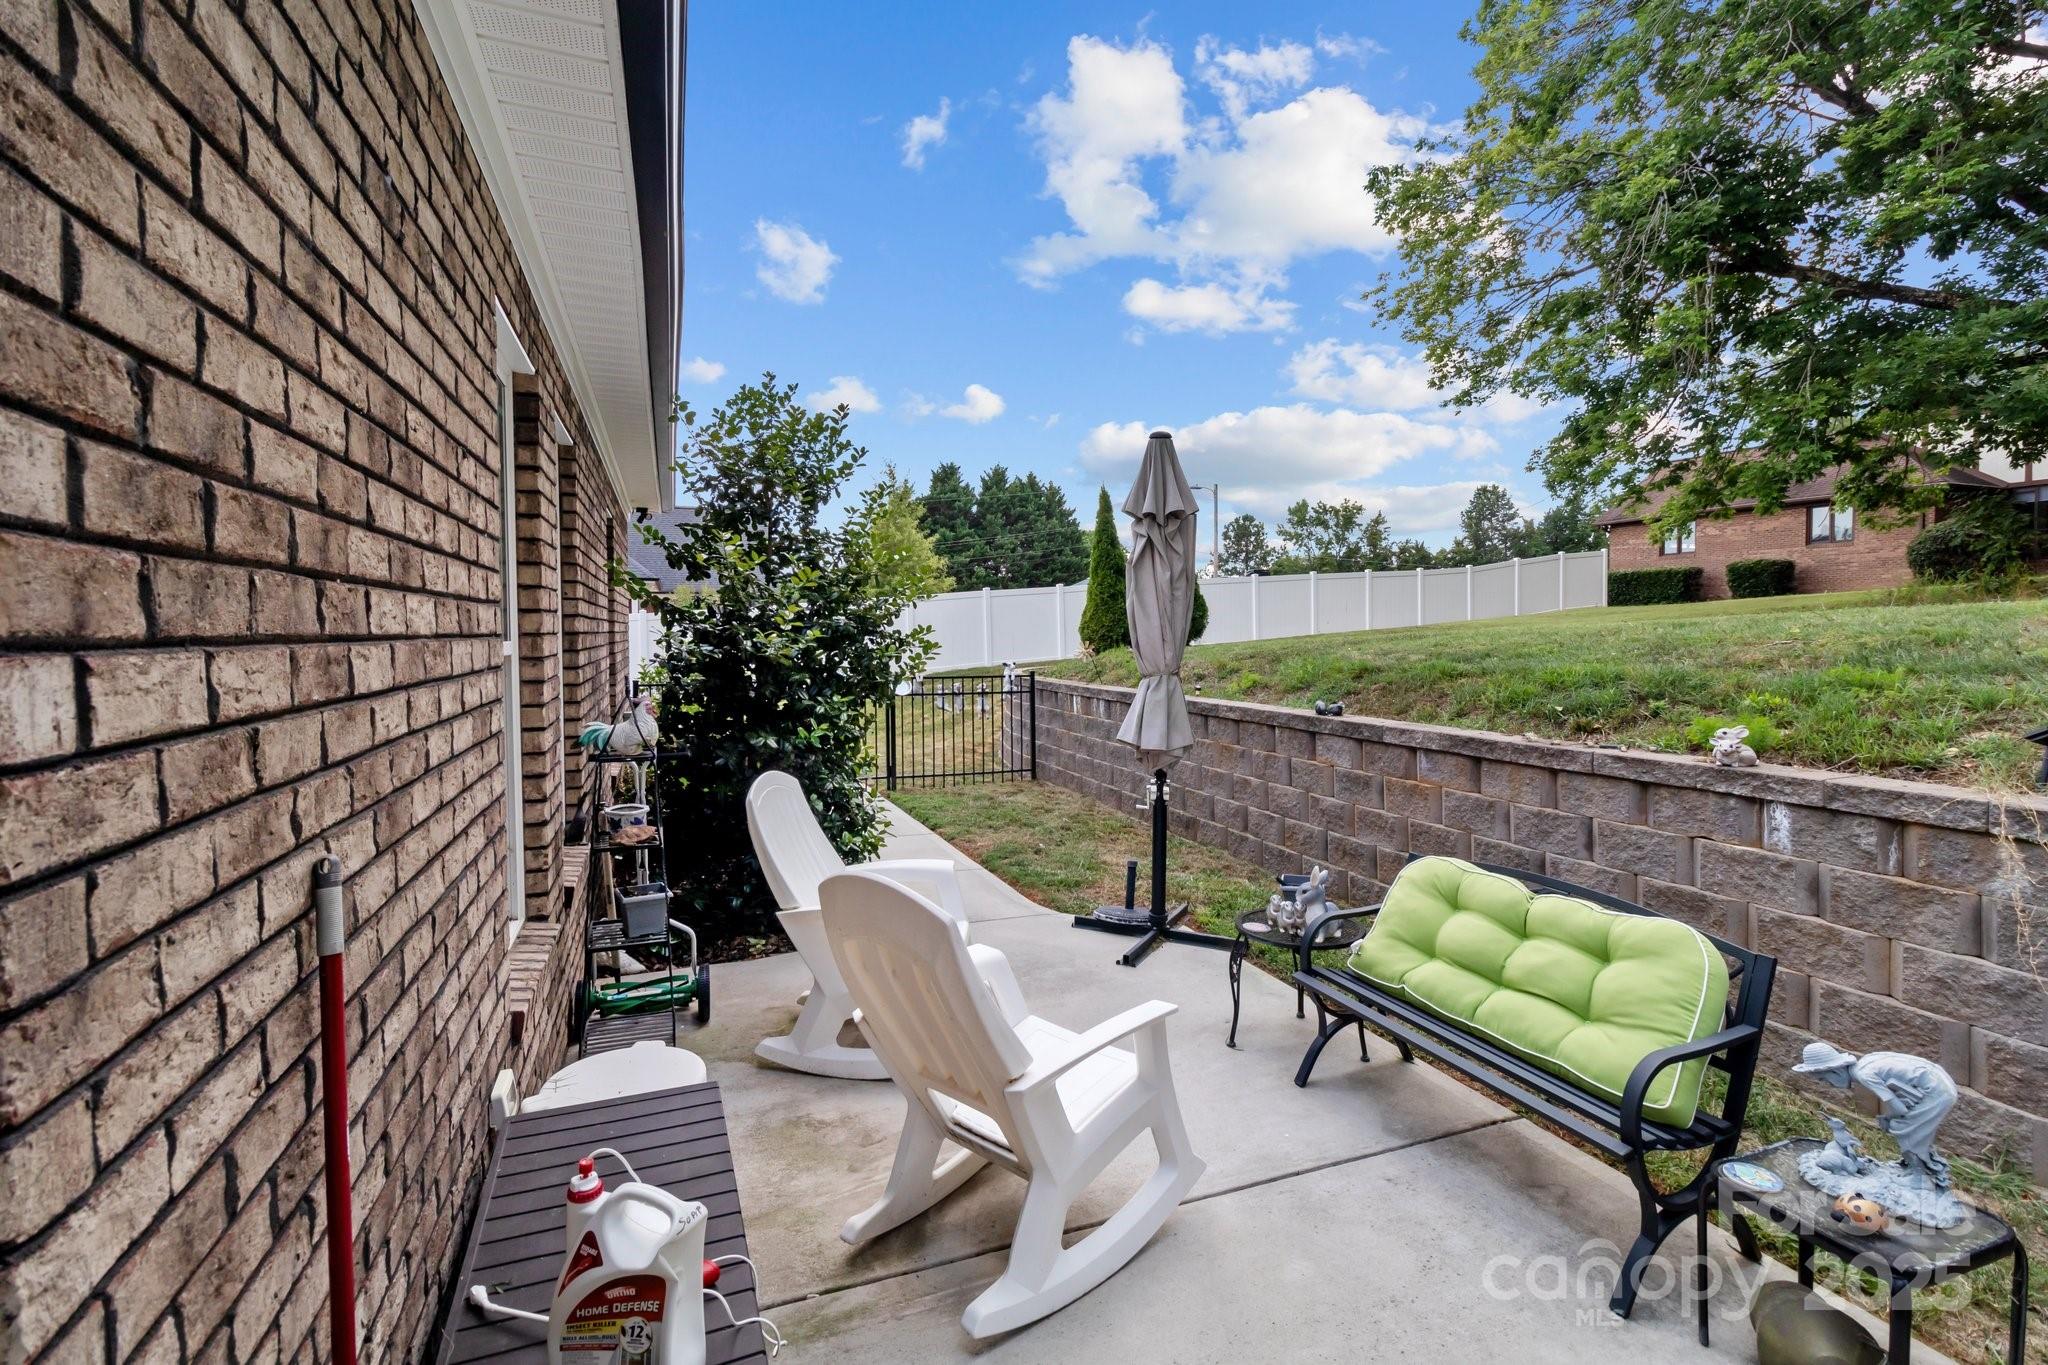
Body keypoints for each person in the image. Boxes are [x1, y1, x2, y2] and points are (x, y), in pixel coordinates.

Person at [1792, 1041, 1956, 1187]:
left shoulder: (1865, 1075)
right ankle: (1915, 1168)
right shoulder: (1865, 1063)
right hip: (1939, 1085)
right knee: (1909, 1127)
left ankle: (1920, 1178)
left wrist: (1886, 1118)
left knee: (1905, 1128)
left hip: (1937, 1092)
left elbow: (1900, 1110)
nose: (1826, 1084)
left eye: (1823, 1079)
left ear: (1835, 1071)